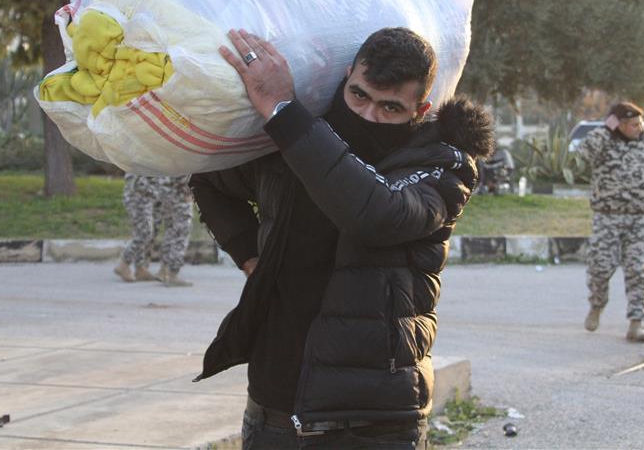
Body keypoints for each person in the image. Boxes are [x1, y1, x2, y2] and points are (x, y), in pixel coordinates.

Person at [190, 27, 492, 448]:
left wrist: (283, 111)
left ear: (420, 109)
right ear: (346, 76)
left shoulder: (443, 165)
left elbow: (375, 213)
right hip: (275, 406)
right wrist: (250, 258)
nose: (369, 116)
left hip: (372, 420)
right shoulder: (295, 143)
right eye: (359, 95)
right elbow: (208, 182)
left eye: (391, 107)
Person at [577, 102, 644, 343]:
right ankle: (596, 306)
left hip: (638, 218)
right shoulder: (603, 141)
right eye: (633, 124)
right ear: (618, 124)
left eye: (640, 123)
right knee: (599, 267)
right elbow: (581, 156)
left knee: (637, 270)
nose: (638, 128)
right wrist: (605, 129)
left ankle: (636, 323)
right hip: (607, 216)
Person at [114, 174, 194, 287]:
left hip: (159, 193)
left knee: (166, 230)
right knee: (173, 232)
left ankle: (148, 268)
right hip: (152, 195)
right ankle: (125, 263)